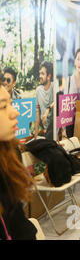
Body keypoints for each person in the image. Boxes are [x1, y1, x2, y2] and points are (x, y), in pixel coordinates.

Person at [0, 85, 36, 240]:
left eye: (10, 103)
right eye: (3, 106)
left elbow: (18, 221)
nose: (15, 112)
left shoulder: (9, 152)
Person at [34, 61, 54, 141]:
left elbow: (57, 102)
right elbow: (37, 112)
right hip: (46, 131)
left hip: (54, 128)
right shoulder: (38, 90)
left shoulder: (54, 86)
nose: (40, 76)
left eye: (42, 74)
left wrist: (47, 110)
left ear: (49, 76)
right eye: (40, 73)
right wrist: (36, 133)